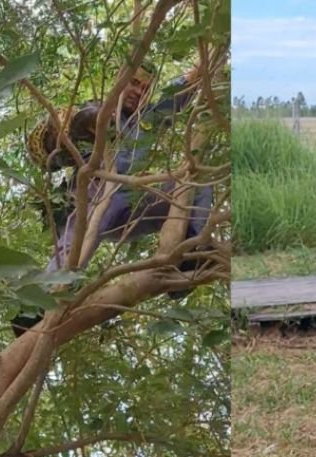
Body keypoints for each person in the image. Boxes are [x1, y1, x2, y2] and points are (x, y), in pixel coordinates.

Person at [13, 61, 215, 336]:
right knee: (78, 236)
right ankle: (37, 303)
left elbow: (172, 101)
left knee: (197, 181)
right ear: (120, 82)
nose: (138, 91)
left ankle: (190, 254)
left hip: (132, 200)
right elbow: (61, 143)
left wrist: (194, 75)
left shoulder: (146, 121)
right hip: (97, 192)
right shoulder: (95, 109)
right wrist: (92, 126)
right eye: (133, 83)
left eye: (145, 88)